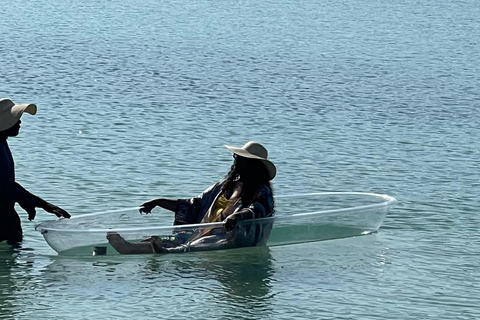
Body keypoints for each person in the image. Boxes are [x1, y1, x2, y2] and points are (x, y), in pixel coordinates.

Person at [107, 141, 276, 254]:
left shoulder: (262, 191)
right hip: (203, 232)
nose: (236, 160)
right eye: (236, 157)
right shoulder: (224, 186)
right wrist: (159, 202)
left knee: (195, 245)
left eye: (242, 159)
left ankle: (166, 253)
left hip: (231, 238)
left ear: (254, 166)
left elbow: (258, 209)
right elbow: (194, 204)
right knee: (167, 240)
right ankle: (128, 249)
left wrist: (238, 215)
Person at [0, 98, 71, 245]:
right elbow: (6, 186)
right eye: (15, 119)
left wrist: (27, 201)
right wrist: (44, 205)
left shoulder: (2, 142)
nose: (20, 122)